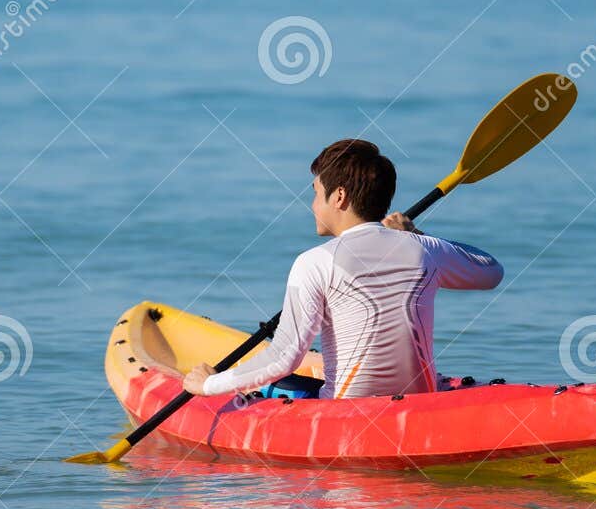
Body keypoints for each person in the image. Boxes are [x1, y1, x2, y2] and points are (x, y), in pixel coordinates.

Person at [182, 139, 503, 400]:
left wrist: (210, 385)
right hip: (419, 405)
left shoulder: (314, 262)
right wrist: (417, 234)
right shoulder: (424, 249)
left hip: (347, 413)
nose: (312, 205)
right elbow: (490, 272)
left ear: (338, 196)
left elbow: (284, 357)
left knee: (273, 387)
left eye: (315, 193)